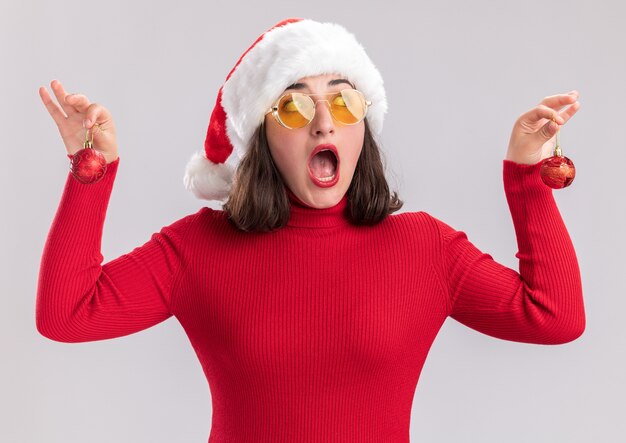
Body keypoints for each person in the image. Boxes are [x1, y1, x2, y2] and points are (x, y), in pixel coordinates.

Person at [36, 17, 585, 443]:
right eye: (295, 106)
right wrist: (93, 171)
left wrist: (527, 177)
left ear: (361, 127)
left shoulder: (426, 249)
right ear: (262, 137)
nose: (324, 120)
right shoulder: (199, 248)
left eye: (344, 101)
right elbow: (66, 314)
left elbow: (555, 317)